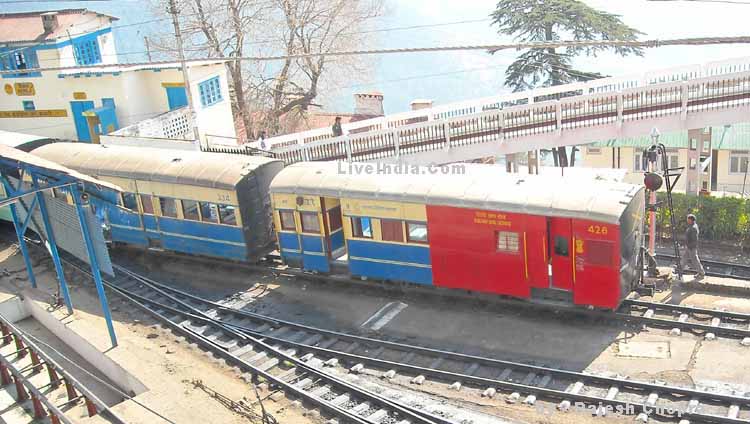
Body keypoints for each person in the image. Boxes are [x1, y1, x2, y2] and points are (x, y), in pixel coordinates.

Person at [682, 214, 705, 281]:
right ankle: (680, 271)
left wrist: (690, 246)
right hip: (689, 246)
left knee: (694, 260)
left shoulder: (693, 228)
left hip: (691, 247)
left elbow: (694, 239)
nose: (687, 221)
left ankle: (701, 272)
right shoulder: (692, 226)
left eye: (688, 219)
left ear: (691, 220)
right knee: (684, 258)